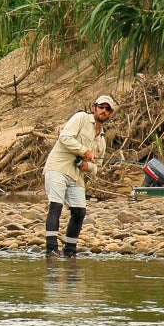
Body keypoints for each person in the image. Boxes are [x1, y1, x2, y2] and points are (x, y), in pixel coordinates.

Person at [43, 94, 118, 258]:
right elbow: (64, 138)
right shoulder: (81, 118)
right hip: (58, 167)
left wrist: (86, 166)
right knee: (56, 206)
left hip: (76, 175)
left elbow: (97, 168)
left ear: (111, 114)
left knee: (79, 211)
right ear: (94, 108)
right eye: (101, 107)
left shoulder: (102, 140)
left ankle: (70, 250)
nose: (104, 111)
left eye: (108, 109)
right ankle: (51, 249)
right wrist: (85, 151)